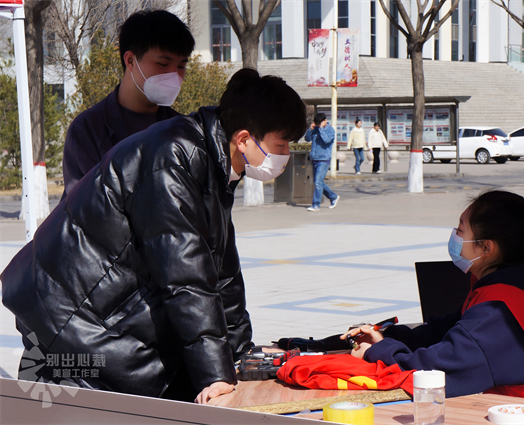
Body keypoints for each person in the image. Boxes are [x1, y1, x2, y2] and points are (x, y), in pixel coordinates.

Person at [1, 69, 307, 404]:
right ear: (245, 138)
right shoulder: (173, 158)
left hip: (101, 309)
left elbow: (222, 272)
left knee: (169, 384)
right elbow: (186, 276)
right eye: (282, 145)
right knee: (98, 404)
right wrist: (217, 376)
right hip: (69, 314)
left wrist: (238, 356)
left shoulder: (212, 162)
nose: (286, 155)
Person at [342, 190, 524, 403]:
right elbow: (445, 329)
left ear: (486, 248)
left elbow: (433, 373)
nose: (454, 235)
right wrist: (384, 337)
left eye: (461, 230)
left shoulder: (500, 312)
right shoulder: (511, 290)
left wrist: (378, 352)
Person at [61, 10, 195, 198]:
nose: (174, 75)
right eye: (163, 64)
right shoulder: (88, 130)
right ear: (130, 60)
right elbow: (90, 209)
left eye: (181, 66)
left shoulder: (184, 130)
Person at [305, 113, 339, 212]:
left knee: (318, 182)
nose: (318, 125)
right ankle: (333, 197)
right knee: (318, 182)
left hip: (324, 159)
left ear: (325, 121)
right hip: (314, 158)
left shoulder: (330, 130)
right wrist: (310, 129)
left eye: (320, 123)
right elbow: (307, 139)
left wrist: (321, 129)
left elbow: (326, 141)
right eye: (317, 123)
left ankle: (316, 204)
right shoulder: (315, 129)